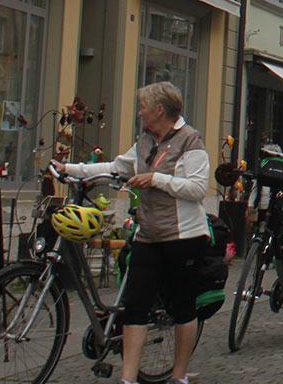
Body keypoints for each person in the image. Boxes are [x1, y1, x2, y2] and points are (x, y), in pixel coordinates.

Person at [57, 82, 209, 384]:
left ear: (159, 110)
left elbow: (197, 188)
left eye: (143, 107)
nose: (139, 112)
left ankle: (179, 376)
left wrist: (157, 179)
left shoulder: (191, 140)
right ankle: (127, 380)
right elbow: (117, 166)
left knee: (182, 307)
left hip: (184, 237)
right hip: (148, 235)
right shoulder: (144, 140)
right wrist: (69, 169)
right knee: (135, 306)